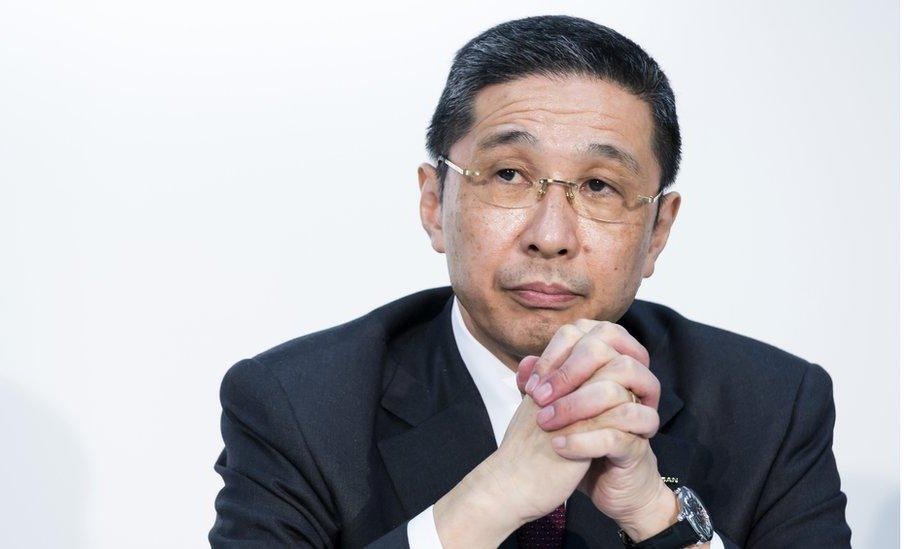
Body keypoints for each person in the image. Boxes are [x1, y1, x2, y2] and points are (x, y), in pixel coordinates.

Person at [209, 15, 851, 548]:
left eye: (599, 186)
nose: (551, 234)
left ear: (657, 231)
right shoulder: (296, 406)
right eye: (510, 175)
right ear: (435, 204)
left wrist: (656, 511)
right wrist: (491, 499)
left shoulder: (772, 407)